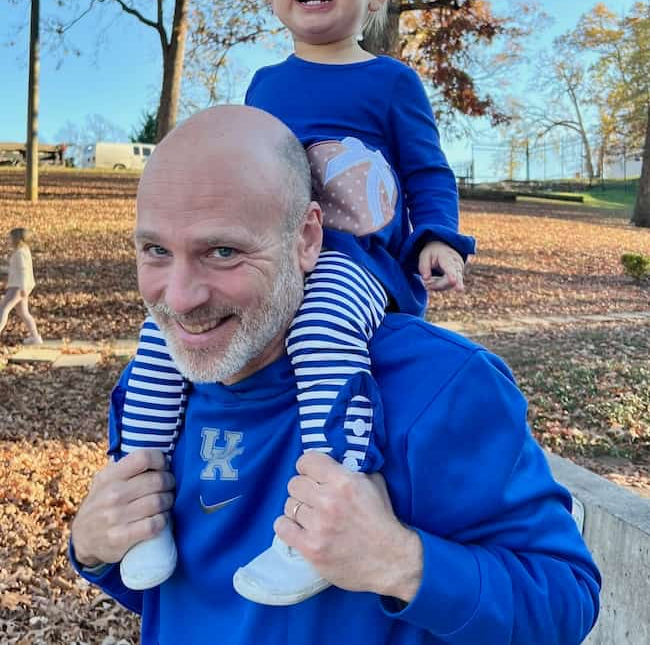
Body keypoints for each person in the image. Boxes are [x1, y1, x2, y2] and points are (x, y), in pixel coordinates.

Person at [70, 106, 600, 645]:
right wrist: (93, 549)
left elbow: (566, 601)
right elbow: (185, 595)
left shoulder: (440, 386)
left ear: (306, 239)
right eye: (156, 250)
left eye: (223, 251)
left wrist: (400, 563)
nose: (180, 299)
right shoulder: (160, 385)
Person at [117, 0, 477, 601]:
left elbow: (429, 170)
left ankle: (325, 503)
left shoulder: (391, 82)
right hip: (275, 257)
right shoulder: (265, 82)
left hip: (357, 262)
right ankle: (141, 503)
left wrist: (439, 239)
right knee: (161, 335)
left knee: (318, 328)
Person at [0, 227, 43, 345]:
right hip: (22, 286)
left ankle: (35, 337)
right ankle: (35, 337)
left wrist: (23, 287)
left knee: (3, 309)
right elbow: (16, 269)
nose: (9, 241)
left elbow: (24, 270)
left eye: (10, 238)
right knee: (23, 312)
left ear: (17, 239)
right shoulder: (24, 251)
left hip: (18, 287)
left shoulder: (20, 253)